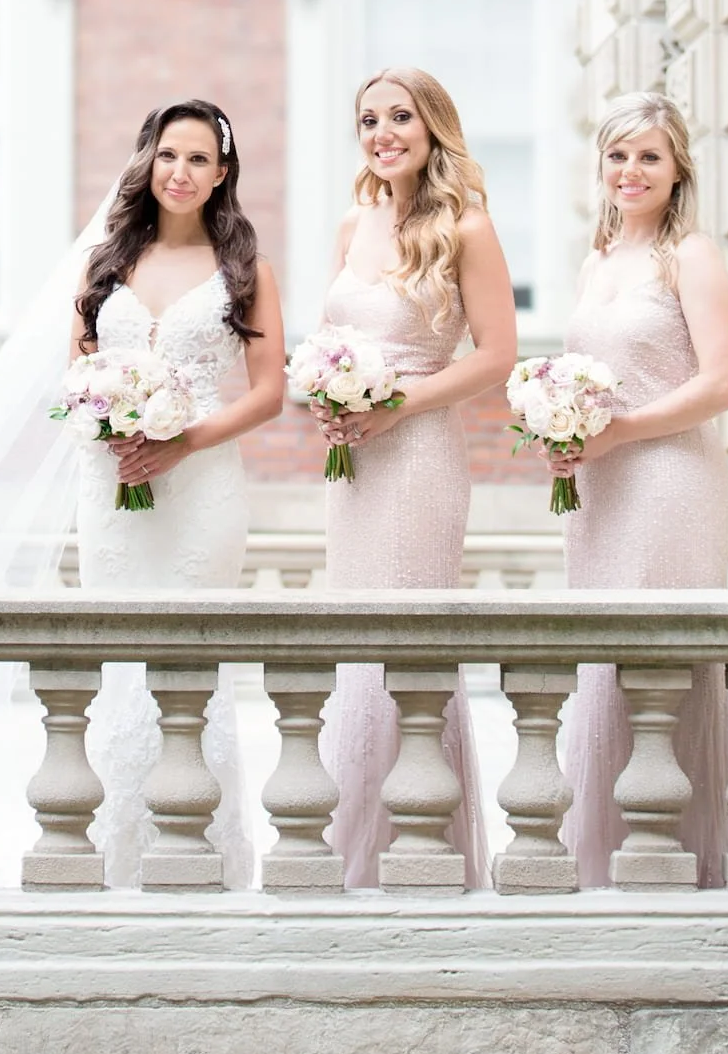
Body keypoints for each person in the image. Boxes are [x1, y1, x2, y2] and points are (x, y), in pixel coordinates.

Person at [312, 67, 518, 887]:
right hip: (353, 460)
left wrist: (400, 406)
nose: (382, 132)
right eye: (368, 119)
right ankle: (351, 845)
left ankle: (418, 848)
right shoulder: (349, 225)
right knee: (352, 636)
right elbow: (327, 340)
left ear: (433, 127)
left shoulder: (467, 227)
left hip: (418, 453)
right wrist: (330, 395)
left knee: (406, 637)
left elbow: (498, 358)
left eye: (399, 116)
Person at [72, 100, 287, 883]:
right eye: (169, 155)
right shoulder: (105, 264)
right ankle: (114, 853)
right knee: (119, 661)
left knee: (194, 662)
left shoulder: (245, 272)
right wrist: (116, 433)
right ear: (147, 161)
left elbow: (267, 394)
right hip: (113, 485)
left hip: (201, 489)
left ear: (222, 173)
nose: (180, 172)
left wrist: (181, 441)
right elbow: (79, 375)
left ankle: (204, 857)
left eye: (199, 159)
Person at [556, 92, 728, 888]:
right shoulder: (596, 260)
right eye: (617, 155)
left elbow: (722, 384)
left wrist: (621, 432)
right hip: (598, 485)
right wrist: (561, 431)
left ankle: (680, 853)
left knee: (657, 660)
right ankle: (606, 853)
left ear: (676, 171)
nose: (629, 171)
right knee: (602, 658)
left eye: (647, 157)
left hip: (667, 479)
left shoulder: (690, 256)